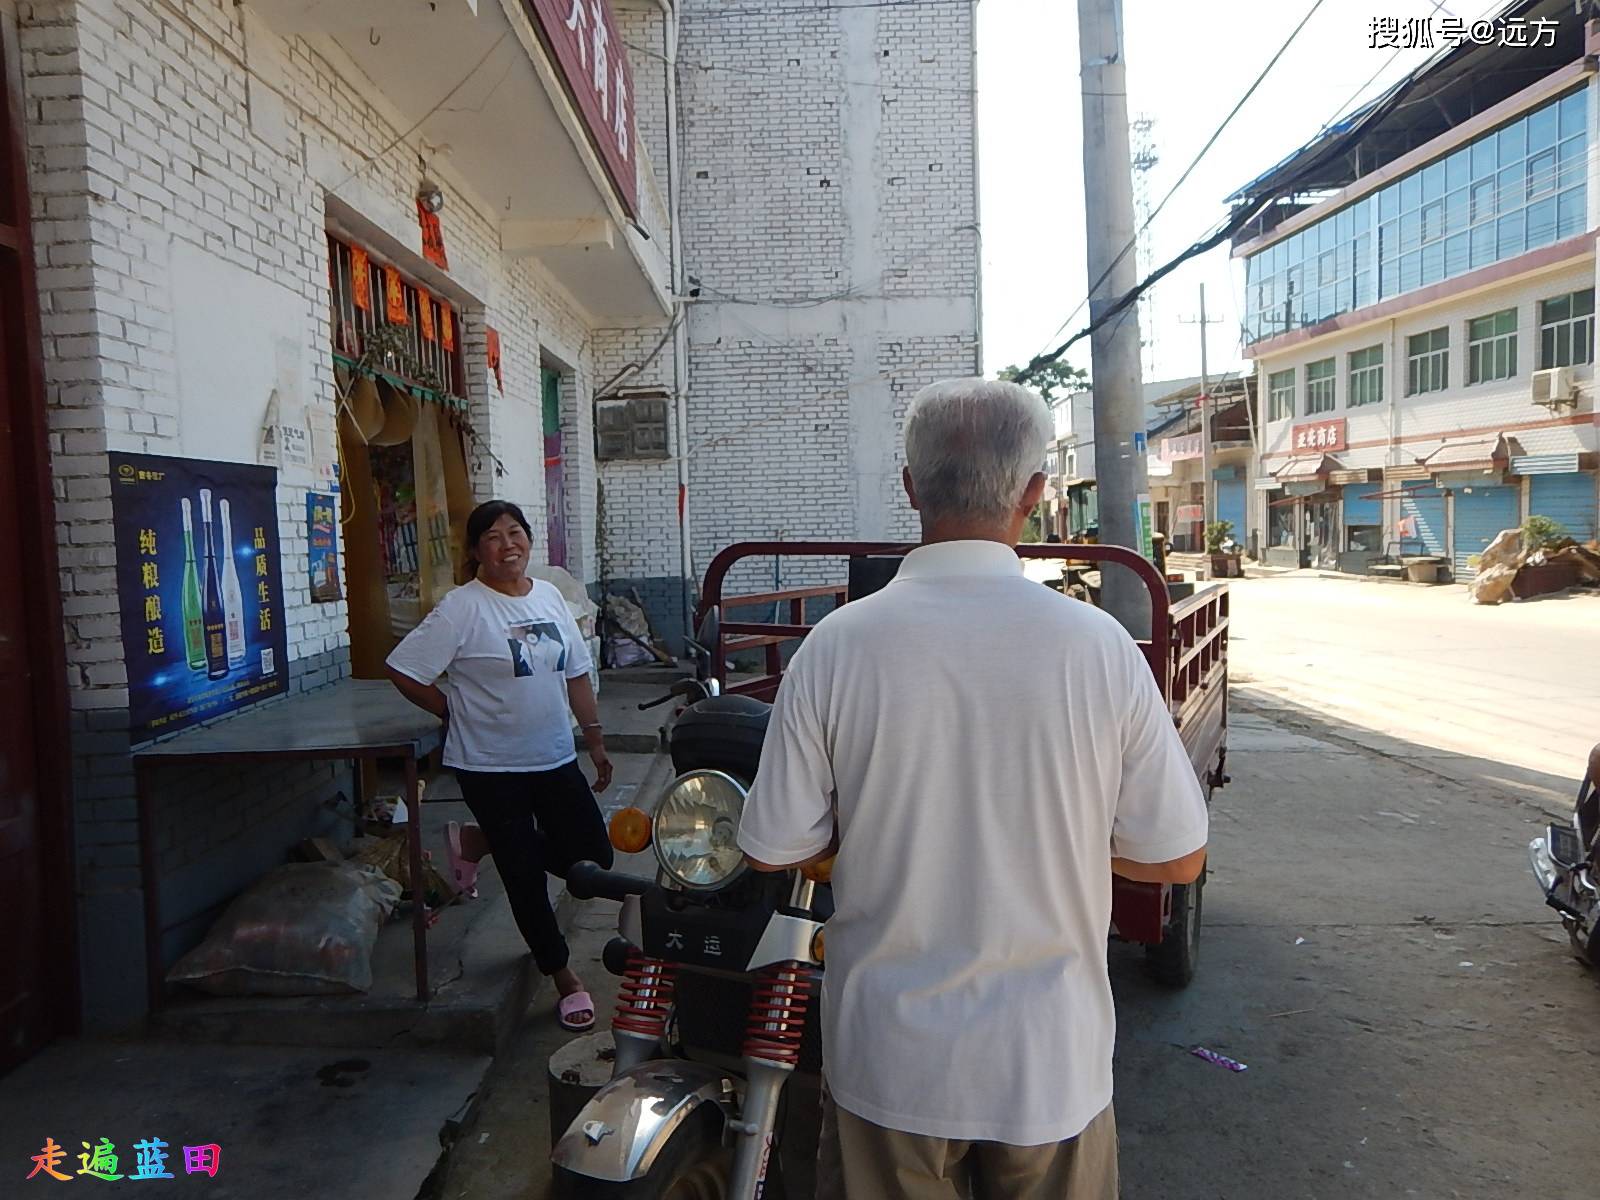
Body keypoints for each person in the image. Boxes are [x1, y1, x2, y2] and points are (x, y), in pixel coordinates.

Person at [736, 378, 1209, 1199]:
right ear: (1035, 493)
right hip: (1049, 1066)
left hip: (891, 1063)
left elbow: (775, 844)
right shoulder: (1098, 650)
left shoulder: (836, 647)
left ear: (911, 487)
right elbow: (1177, 860)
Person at [385, 499, 613, 1032]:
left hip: (554, 754)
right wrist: (451, 709)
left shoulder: (552, 596)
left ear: (529, 540)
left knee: (593, 860)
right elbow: (404, 669)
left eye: (516, 532)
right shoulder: (463, 607)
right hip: (489, 765)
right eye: (492, 536)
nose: (507, 543)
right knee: (524, 876)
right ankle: (564, 977)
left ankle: (480, 841)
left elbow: (576, 674)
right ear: (475, 551)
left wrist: (596, 741)